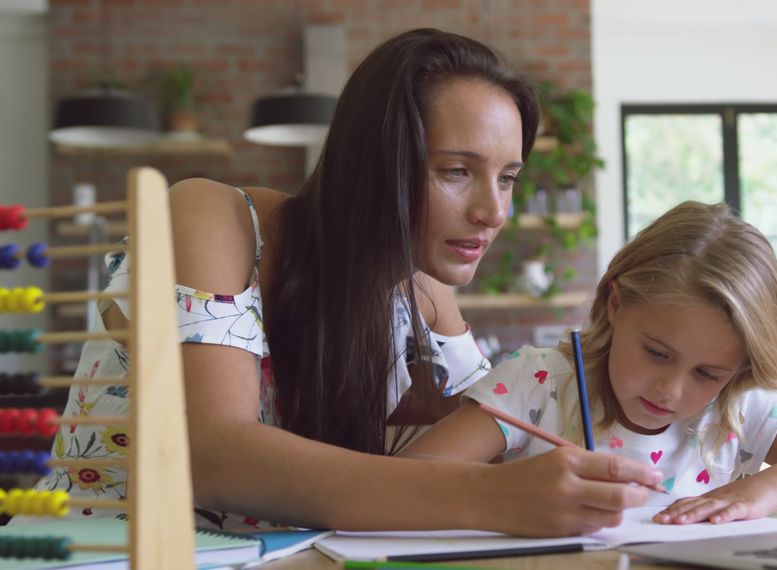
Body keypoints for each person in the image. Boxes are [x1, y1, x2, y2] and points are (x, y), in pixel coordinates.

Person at [16, 28, 662, 536]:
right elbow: (214, 457)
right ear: (375, 162)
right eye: (457, 171)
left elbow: (505, 436)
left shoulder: (428, 298)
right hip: (99, 555)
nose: (494, 212)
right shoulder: (214, 219)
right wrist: (492, 495)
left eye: (508, 177)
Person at [402, 201, 777, 524]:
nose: (671, 389)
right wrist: (505, 492)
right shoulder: (539, 384)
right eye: (657, 353)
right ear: (616, 304)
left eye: (707, 373)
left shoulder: (737, 411)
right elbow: (405, 479)